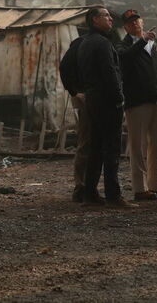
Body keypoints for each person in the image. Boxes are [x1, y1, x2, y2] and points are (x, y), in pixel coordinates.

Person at [117, 9, 157, 201]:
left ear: (142, 22)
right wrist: (142, 41)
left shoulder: (155, 44)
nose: (135, 24)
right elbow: (125, 59)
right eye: (130, 22)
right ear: (125, 27)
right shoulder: (123, 45)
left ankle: (156, 185)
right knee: (138, 145)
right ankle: (140, 188)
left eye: (137, 20)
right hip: (137, 102)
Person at [77, 6, 135, 208]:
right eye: (106, 16)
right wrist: (119, 98)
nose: (111, 19)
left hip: (92, 100)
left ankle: (90, 193)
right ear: (94, 20)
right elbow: (110, 73)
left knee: (95, 148)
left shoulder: (85, 43)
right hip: (107, 101)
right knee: (111, 149)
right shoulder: (102, 44)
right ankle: (113, 195)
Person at [59, 33, 89, 203]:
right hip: (85, 98)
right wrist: (75, 91)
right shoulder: (81, 42)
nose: (109, 20)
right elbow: (64, 67)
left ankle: (90, 186)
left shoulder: (108, 42)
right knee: (85, 142)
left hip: (101, 100)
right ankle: (80, 186)